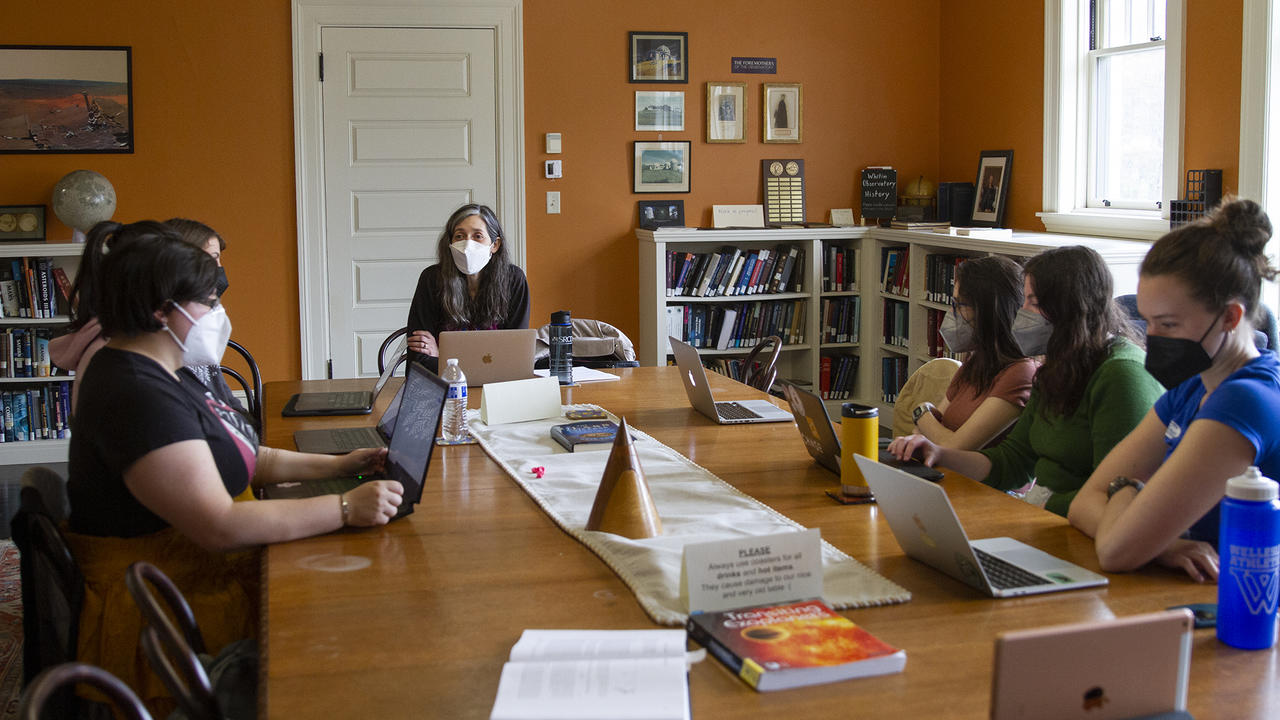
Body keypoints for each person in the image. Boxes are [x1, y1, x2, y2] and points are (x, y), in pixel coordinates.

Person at [64, 220, 404, 708]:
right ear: (164, 311)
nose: (218, 314)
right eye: (208, 302)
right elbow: (218, 525)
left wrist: (339, 465)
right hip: (166, 613)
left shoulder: (169, 368)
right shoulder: (133, 393)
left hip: (196, 573)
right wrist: (346, 509)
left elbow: (245, 457)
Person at [1069, 199, 1280, 582]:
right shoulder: (1192, 386)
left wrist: (1124, 489)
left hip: (1238, 613)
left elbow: (1117, 550)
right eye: (1148, 322)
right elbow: (1083, 504)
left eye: (1167, 324)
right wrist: (1163, 545)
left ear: (1231, 317)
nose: (1152, 338)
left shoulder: (1245, 400)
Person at [888, 245, 1165, 517]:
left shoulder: (1122, 376)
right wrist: (939, 454)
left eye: (1032, 302)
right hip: (1046, 514)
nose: (1021, 312)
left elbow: (1117, 492)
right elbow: (1014, 460)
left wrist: (1043, 509)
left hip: (1082, 525)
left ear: (1068, 308)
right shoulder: (1056, 369)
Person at [910, 255, 1036, 450]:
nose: (952, 314)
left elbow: (954, 448)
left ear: (988, 311)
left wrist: (921, 411)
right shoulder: (977, 361)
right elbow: (920, 434)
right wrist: (928, 421)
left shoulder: (1021, 374)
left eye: (959, 305)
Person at [405, 203, 529, 370]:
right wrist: (485, 363)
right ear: (450, 242)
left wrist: (443, 356)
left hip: (495, 387)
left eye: (477, 236)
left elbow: (515, 356)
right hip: (443, 387)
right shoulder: (431, 279)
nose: (467, 244)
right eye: (459, 236)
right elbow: (418, 360)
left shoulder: (514, 280)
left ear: (495, 245)